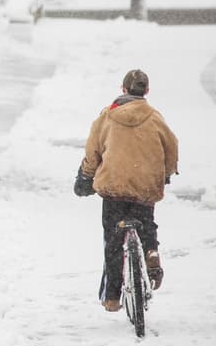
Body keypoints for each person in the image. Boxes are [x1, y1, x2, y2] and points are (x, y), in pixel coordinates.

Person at [74, 69, 179, 312]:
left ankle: (112, 297)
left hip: (114, 186)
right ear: (147, 91)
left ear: (123, 90)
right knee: (146, 222)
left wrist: (86, 177)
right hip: (145, 185)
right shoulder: (155, 118)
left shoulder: (107, 117)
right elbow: (172, 148)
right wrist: (165, 174)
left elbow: (93, 151)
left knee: (113, 238)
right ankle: (150, 250)